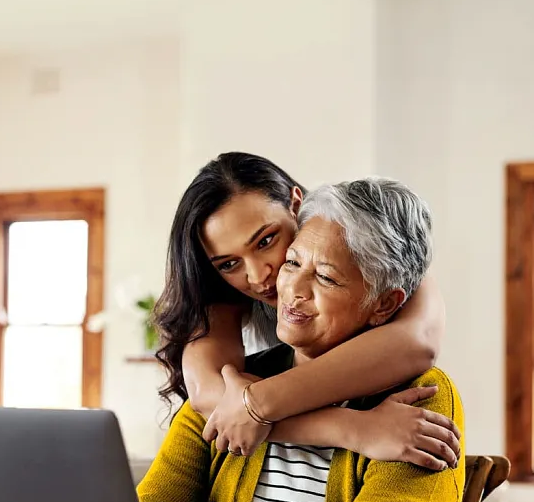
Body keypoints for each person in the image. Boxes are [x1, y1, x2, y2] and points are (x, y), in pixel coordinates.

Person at [139, 178, 469, 502]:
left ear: (384, 305)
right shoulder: (235, 388)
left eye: (327, 278)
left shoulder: (424, 397)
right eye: (292, 263)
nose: (290, 289)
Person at [153, 152, 459, 470]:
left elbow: (416, 343)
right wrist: (353, 429)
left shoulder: (371, 248)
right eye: (230, 263)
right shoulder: (219, 293)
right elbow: (212, 397)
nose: (258, 276)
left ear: (295, 205)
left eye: (266, 241)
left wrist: (257, 403)